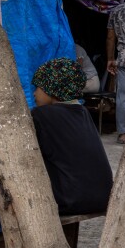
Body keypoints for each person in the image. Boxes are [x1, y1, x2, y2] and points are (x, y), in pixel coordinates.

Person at [31, 58, 113, 214]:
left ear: (51, 88)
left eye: (38, 87)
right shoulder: (83, 112)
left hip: (70, 200)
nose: (34, 93)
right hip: (103, 197)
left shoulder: (42, 114)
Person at [107, 1, 125, 143]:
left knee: (123, 97)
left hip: (124, 59)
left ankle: (123, 134)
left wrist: (110, 58)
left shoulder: (116, 10)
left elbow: (111, 37)